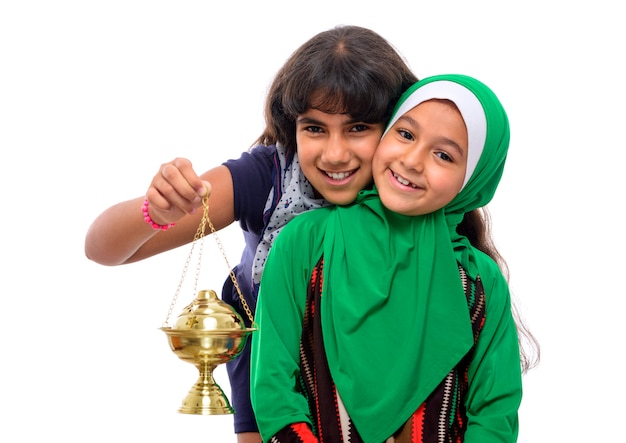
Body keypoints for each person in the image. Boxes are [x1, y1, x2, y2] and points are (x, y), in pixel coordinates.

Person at [84, 25, 418, 443]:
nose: (335, 153)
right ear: (291, 125)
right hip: (272, 385)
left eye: (358, 128)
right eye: (315, 128)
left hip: (382, 377)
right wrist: (158, 209)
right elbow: (101, 249)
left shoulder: (414, 186)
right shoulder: (267, 178)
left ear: (397, 128)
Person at [251, 73, 539, 442]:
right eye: (405, 134)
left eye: (444, 155)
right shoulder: (306, 241)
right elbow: (273, 390)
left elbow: (494, 415)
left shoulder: (479, 280)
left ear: (472, 181)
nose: (413, 160)